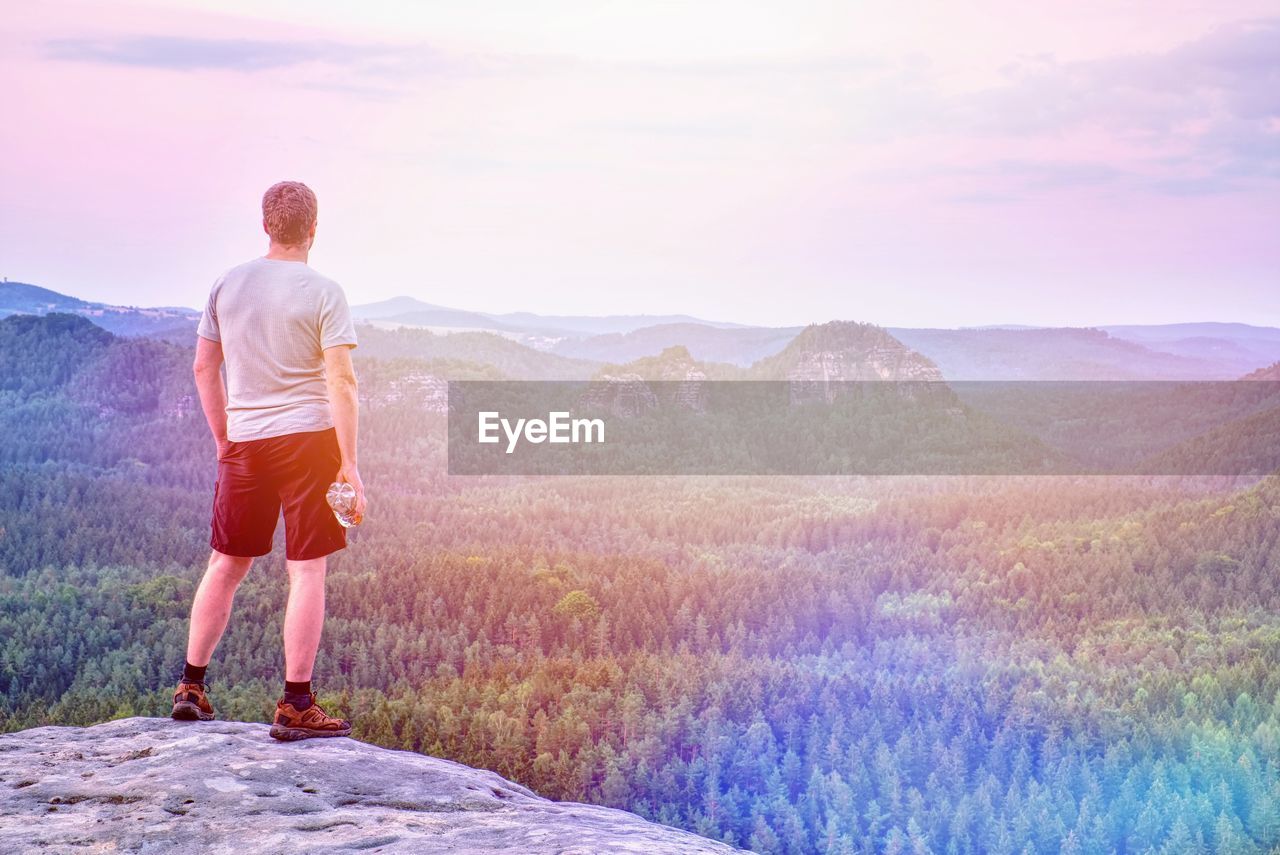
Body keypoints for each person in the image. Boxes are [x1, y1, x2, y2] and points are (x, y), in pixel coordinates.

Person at [171, 181, 367, 741]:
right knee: (306, 570)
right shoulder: (323, 290)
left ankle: (191, 685)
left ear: (265, 226)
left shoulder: (227, 284)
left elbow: (203, 370)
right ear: (313, 229)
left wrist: (224, 440)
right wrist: (349, 464)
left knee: (226, 564)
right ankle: (296, 703)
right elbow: (341, 381)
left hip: (246, 441)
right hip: (309, 440)